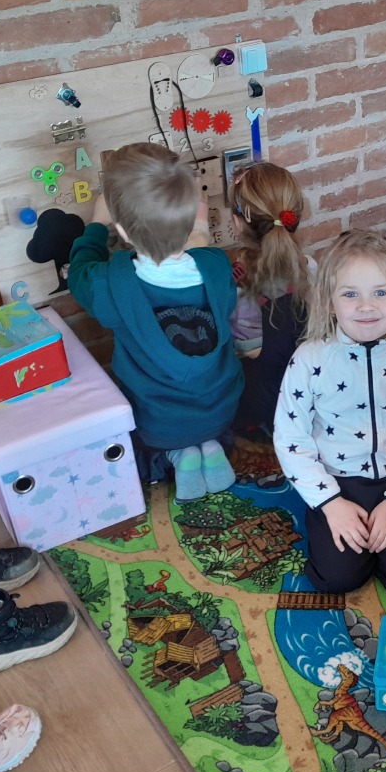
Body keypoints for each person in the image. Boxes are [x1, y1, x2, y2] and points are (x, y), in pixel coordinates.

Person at [273, 228, 386, 593]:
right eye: (350, 294)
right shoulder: (309, 360)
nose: (366, 306)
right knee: (337, 579)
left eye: (381, 293)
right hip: (337, 480)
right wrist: (330, 503)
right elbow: (290, 438)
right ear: (329, 302)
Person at [68, 142, 242, 502]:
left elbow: (79, 272)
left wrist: (97, 225)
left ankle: (178, 456)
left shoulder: (111, 283)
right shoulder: (216, 266)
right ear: (191, 218)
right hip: (221, 410)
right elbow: (201, 252)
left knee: (149, 427)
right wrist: (197, 228)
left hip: (158, 422)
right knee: (202, 420)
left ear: (123, 233)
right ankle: (211, 447)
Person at [224, 161, 316, 436]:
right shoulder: (309, 268)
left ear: (238, 222)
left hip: (264, 400)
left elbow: (242, 348)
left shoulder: (235, 285)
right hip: (309, 390)